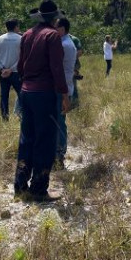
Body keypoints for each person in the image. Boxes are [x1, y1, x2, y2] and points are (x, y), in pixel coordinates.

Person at [14, 0, 69, 202]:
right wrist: (64, 95)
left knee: (26, 138)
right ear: (55, 18)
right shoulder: (52, 35)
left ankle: (20, 185)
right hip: (44, 94)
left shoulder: (27, 34)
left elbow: (20, 66)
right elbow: (57, 68)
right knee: (45, 141)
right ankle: (38, 188)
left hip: (26, 92)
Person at [55, 17, 77, 170]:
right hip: (63, 88)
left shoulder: (63, 45)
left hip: (62, 90)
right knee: (58, 122)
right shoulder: (66, 42)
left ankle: (59, 157)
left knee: (59, 123)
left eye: (55, 27)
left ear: (62, 28)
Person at [0, 19, 23, 121]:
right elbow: (23, 57)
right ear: (16, 27)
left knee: (4, 96)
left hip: (3, 73)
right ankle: (22, 115)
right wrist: (12, 69)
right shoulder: (20, 39)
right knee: (22, 95)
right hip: (16, 73)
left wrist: (2, 68)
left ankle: (5, 118)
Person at [69, 33, 83, 108]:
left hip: (73, 65)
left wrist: (68, 58)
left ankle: (75, 104)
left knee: (72, 84)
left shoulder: (74, 39)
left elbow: (80, 52)